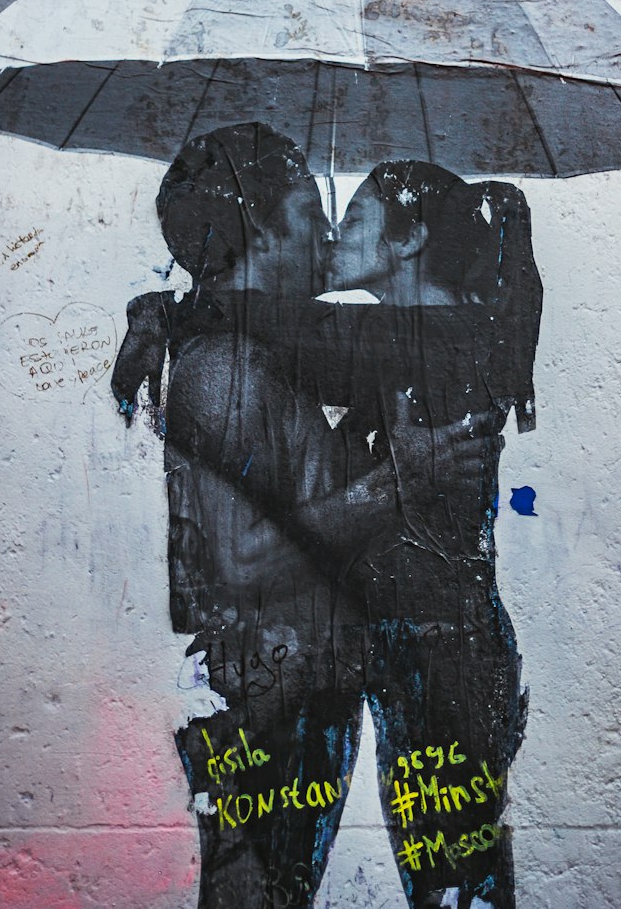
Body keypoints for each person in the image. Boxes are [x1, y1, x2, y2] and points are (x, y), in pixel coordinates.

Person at [113, 124, 490, 909]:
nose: (325, 232)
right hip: (263, 702)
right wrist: (397, 483)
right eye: (308, 213)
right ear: (262, 229)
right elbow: (244, 562)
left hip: (304, 690)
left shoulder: (261, 348)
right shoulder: (222, 373)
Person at [286, 161, 541, 908]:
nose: (337, 235)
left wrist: (174, 310)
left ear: (410, 241)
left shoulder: (438, 336)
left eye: (357, 219)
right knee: (455, 881)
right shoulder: (431, 337)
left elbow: (286, 331)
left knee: (457, 885)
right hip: (427, 641)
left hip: (443, 650)